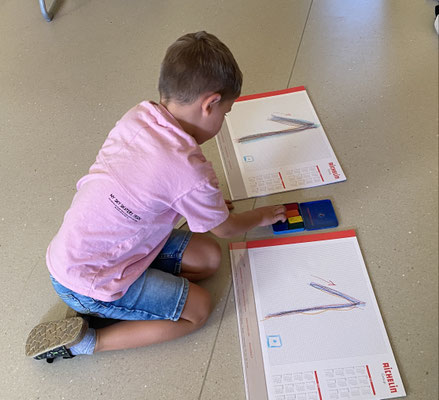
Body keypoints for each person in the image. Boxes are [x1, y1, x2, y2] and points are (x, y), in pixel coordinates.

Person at [25, 31, 286, 362]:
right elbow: (225, 228)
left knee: (209, 258)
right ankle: (87, 341)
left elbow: (148, 185)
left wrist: (204, 206)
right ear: (210, 104)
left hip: (75, 255)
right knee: (199, 309)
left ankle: (121, 301)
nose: (224, 119)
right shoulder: (191, 172)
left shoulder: (139, 115)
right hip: (90, 281)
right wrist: (262, 215)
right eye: (226, 112)